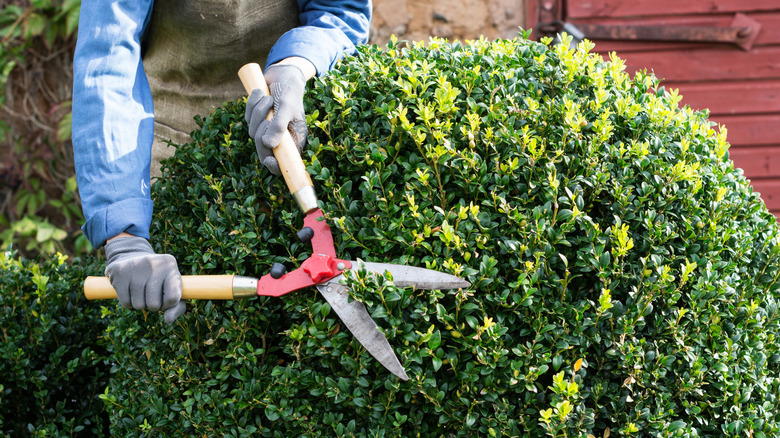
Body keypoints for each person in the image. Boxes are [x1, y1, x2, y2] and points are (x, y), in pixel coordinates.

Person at [72, 0, 371, 323]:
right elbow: (108, 56)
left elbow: (341, 11)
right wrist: (125, 237)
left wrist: (297, 63)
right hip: (167, 147)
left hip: (290, 127)